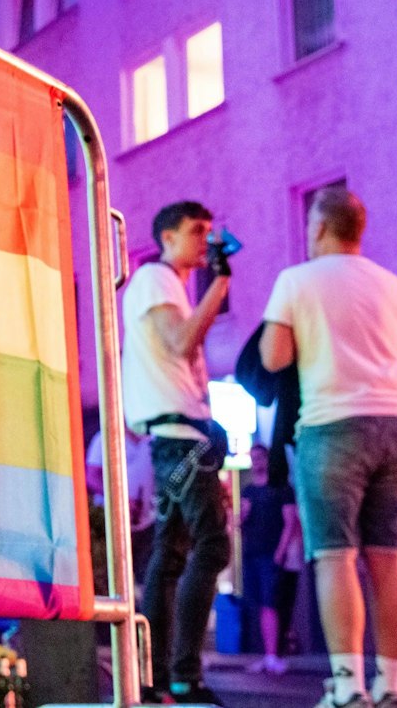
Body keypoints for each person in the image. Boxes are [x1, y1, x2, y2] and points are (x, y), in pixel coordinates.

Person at [258, 187, 397, 708]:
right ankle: (391, 686)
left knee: (335, 556)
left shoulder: (296, 280)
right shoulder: (391, 284)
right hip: (396, 425)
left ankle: (348, 687)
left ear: (321, 227)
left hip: (331, 426)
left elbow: (274, 357)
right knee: (389, 558)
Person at [122, 200, 234, 704]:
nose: (205, 240)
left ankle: (161, 678)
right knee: (208, 548)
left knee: (170, 557)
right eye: (197, 231)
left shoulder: (165, 285)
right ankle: (182, 676)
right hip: (178, 436)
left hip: (178, 435)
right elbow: (181, 342)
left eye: (209, 231)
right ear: (168, 237)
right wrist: (221, 282)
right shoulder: (156, 279)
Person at [242, 442, 303, 676]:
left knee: (272, 604)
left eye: (260, 457)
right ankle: (268, 655)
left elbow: (291, 521)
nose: (256, 462)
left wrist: (281, 551)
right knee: (262, 604)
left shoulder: (282, 489)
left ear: (267, 459)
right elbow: (239, 521)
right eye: (253, 458)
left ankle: (273, 655)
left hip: (271, 554)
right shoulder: (248, 491)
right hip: (252, 553)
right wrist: (239, 517)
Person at [88, 426, 157, 578]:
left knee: (144, 575)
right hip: (110, 523)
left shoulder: (153, 439)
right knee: (112, 573)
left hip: (147, 524)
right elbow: (92, 476)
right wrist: (121, 500)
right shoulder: (105, 437)